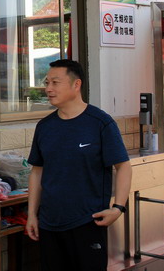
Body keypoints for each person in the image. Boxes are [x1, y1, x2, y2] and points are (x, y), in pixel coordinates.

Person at [26, 59, 132, 271]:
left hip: (88, 222)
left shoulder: (101, 123)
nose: (48, 89)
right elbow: (37, 172)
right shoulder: (45, 127)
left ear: (76, 84)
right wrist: (31, 215)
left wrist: (118, 208)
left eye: (55, 83)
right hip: (49, 223)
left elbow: (123, 166)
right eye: (47, 82)